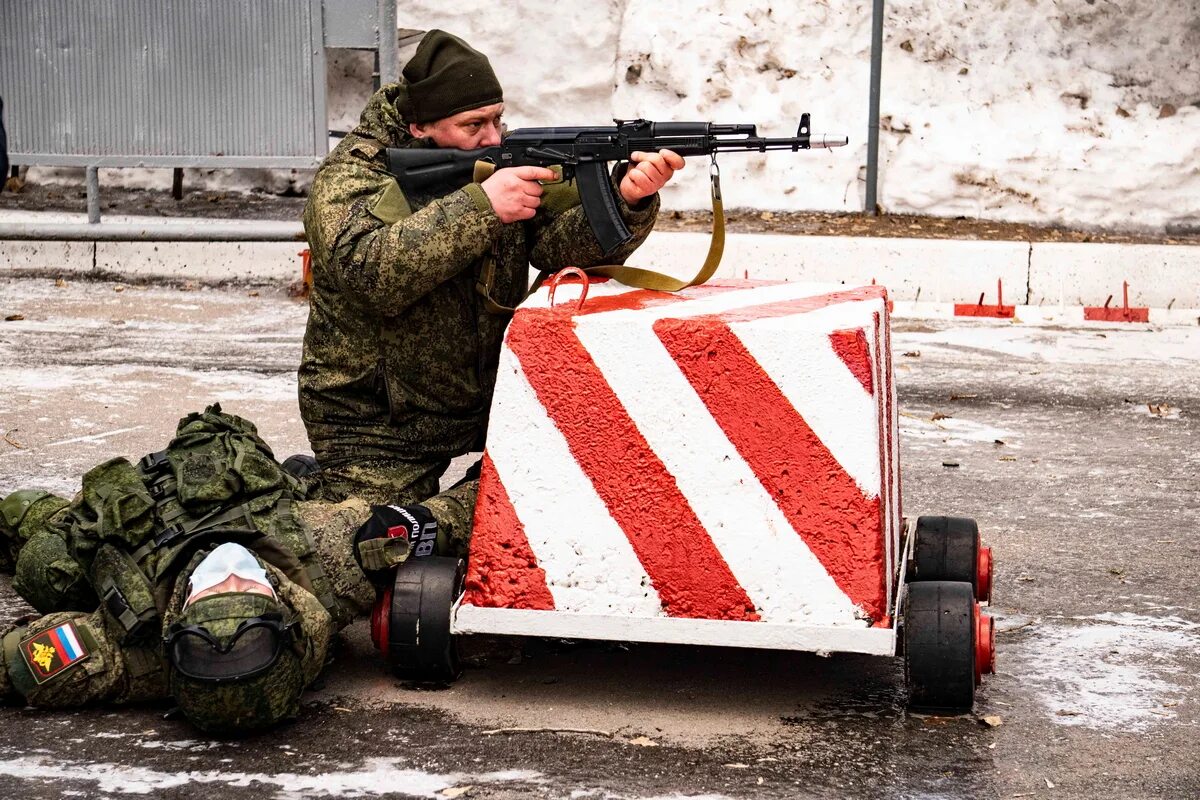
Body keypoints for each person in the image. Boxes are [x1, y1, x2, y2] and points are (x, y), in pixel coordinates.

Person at [300, 30, 683, 557]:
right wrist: (482, 207)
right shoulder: (351, 179)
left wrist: (625, 199)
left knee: (576, 484)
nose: (492, 137)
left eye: (497, 119)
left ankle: (433, 517)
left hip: (479, 401)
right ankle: (337, 494)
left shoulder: (494, 163)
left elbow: (555, 248)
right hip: (376, 422)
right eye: (472, 125)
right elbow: (371, 274)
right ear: (419, 127)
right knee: (367, 548)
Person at [0, 405, 384, 734]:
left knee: (37, 547)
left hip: (137, 536)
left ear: (175, 626)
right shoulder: (338, 557)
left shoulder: (134, 656)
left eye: (210, 593)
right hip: (251, 506)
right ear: (287, 607)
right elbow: (440, 518)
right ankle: (300, 476)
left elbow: (16, 664)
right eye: (249, 588)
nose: (228, 568)